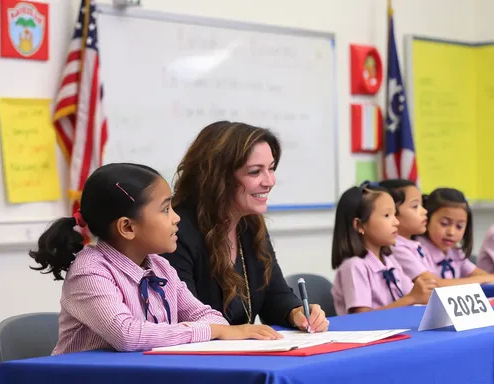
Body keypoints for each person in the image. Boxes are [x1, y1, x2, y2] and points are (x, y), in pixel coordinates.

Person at [29, 163, 281, 355]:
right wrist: (215, 331)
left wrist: (217, 327)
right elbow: (127, 335)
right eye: (165, 209)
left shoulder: (159, 266)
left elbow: (205, 314)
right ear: (127, 227)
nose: (176, 218)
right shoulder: (91, 271)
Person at [161, 122, 328, 333]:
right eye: (255, 172)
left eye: (271, 168)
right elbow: (184, 319)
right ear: (218, 177)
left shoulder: (250, 223)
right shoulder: (177, 230)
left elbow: (274, 296)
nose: (270, 181)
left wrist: (297, 313)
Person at [381, 180, 494, 285]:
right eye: (444, 224)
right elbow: (435, 285)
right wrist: (489, 278)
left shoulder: (453, 250)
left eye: (459, 226)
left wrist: (492, 278)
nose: (451, 232)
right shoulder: (400, 247)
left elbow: (476, 273)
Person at [331, 182, 436, 315]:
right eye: (387, 215)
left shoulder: (389, 260)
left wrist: (422, 293)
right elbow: (361, 318)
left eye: (395, 214)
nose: (396, 222)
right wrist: (412, 298)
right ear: (359, 225)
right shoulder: (354, 266)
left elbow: (413, 294)